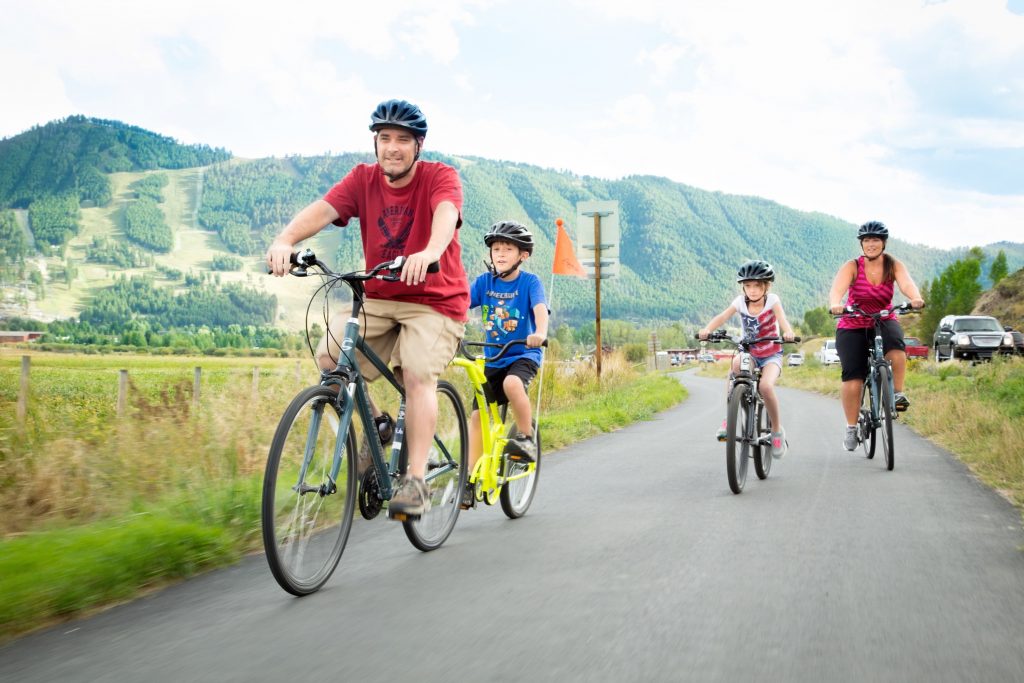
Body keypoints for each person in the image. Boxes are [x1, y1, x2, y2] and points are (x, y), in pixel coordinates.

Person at [266, 99, 468, 517]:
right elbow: (323, 211)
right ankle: (379, 424)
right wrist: (285, 240)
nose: (392, 148)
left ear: (418, 146)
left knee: (415, 372)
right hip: (379, 297)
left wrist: (429, 250)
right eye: (385, 139)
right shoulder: (363, 179)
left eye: (402, 140)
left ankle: (414, 481)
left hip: (435, 301)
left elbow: (446, 215)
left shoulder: (439, 177)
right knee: (329, 356)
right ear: (375, 143)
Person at [463, 221, 548, 507]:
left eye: (507, 249)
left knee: (513, 384)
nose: (499, 254)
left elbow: (539, 310)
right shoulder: (484, 282)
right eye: (496, 249)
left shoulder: (530, 282)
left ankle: (525, 437)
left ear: (523, 255)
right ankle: (469, 479)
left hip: (523, 354)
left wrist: (540, 333)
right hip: (492, 357)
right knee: (477, 416)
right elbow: (461, 304)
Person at [828, 221, 924, 451]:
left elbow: (907, 284)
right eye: (867, 240)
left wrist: (916, 298)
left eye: (876, 240)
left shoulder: (893, 265)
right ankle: (851, 428)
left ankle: (897, 394)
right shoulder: (852, 266)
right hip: (853, 322)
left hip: (884, 317)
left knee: (897, 349)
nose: (871, 244)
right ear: (862, 243)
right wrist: (835, 304)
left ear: (884, 243)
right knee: (853, 377)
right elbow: (837, 289)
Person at [698, 260, 796, 459]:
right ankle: (729, 419)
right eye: (748, 285)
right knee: (735, 366)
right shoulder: (740, 302)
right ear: (743, 287)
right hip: (749, 352)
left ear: (766, 286)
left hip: (771, 354)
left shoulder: (772, 301)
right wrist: (707, 329)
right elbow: (722, 317)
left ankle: (776, 430)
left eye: (757, 285)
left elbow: (783, 320)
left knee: (766, 387)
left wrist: (788, 333)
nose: (752, 290)